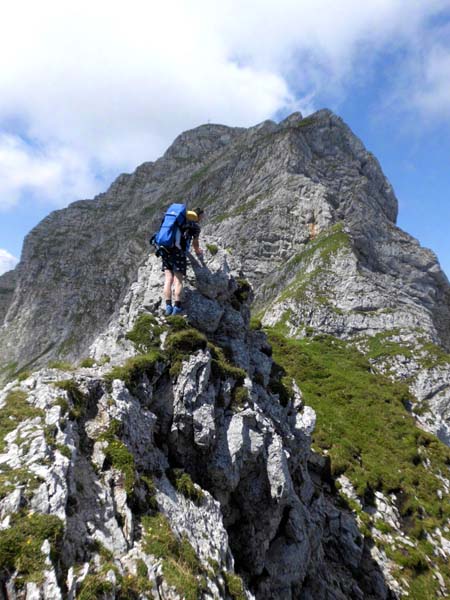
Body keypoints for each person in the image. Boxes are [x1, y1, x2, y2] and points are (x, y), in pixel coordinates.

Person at [162, 207, 205, 316]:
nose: (202, 218)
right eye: (202, 216)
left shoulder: (176, 220)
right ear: (198, 216)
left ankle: (168, 306)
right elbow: (195, 243)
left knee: (168, 279)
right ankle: (177, 307)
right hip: (178, 253)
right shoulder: (194, 226)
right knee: (178, 280)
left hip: (166, 250)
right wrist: (197, 251)